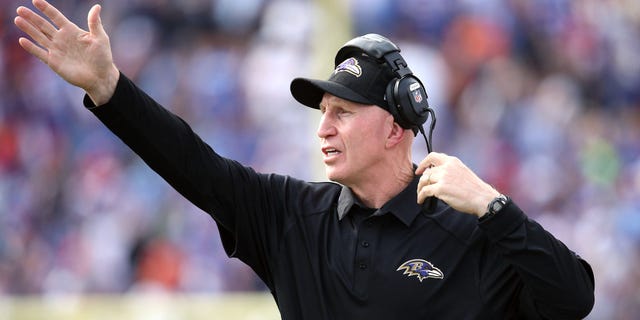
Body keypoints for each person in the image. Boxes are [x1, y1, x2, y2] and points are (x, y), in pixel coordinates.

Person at [14, 0, 595, 319]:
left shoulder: (472, 227)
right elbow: (189, 161)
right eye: (323, 111)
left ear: (396, 127)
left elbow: (575, 299)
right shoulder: (293, 215)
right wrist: (112, 89)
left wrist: (495, 208)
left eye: (342, 112)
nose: (323, 127)